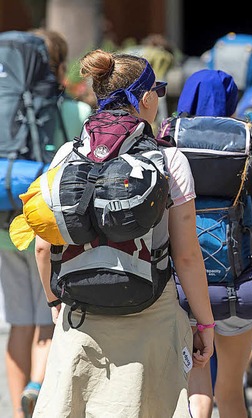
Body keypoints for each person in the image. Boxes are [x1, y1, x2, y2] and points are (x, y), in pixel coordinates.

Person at [30, 49, 215, 417]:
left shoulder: (67, 155)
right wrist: (205, 323)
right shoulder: (170, 160)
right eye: (157, 94)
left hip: (81, 318)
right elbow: (188, 256)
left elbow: (41, 245)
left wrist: (55, 302)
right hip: (152, 316)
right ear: (146, 98)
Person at [167, 69, 252, 418]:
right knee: (232, 389)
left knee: (196, 384)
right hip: (235, 288)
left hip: (183, 291)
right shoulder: (250, 150)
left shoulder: (169, 145)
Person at [0, 28, 91, 418]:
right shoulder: (73, 112)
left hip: (3, 226)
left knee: (18, 322)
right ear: (55, 67)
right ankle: (38, 388)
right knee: (49, 318)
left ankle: (17, 412)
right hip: (49, 227)